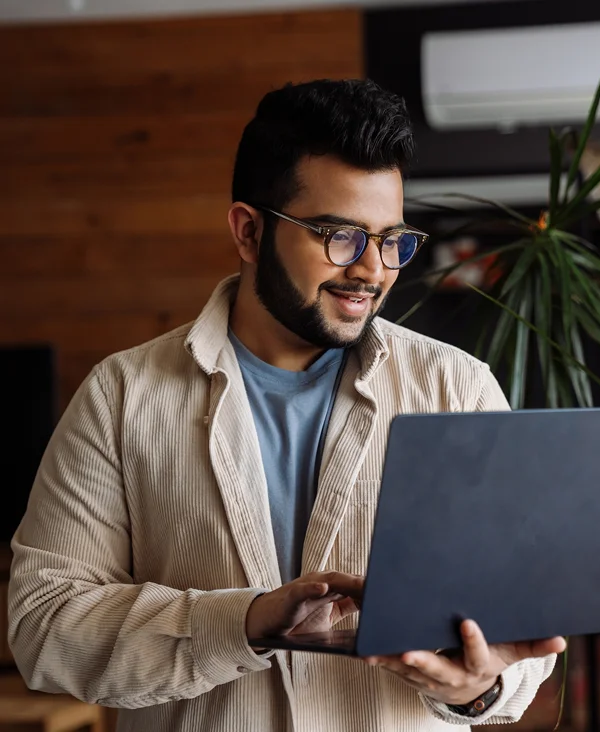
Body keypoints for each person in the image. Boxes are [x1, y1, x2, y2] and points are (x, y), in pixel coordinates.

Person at [8, 79, 566, 732]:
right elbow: (43, 628)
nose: (371, 270)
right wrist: (241, 622)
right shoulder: (121, 396)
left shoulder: (458, 389)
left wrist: (480, 685)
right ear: (249, 231)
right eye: (338, 236)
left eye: (391, 240)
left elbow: (525, 622)